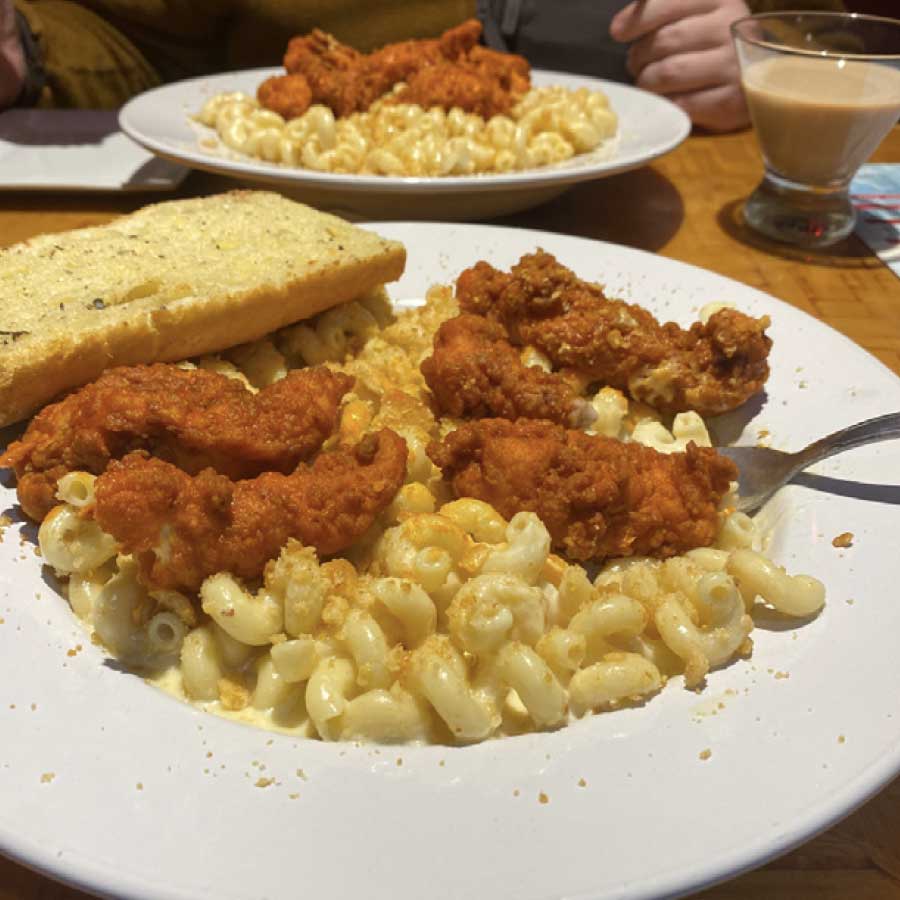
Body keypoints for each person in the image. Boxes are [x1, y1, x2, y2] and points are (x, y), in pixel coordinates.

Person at [2, 0, 845, 131]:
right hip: (317, 217)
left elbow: (841, 35)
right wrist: (26, 42)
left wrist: (770, 43)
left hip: (687, 204)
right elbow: (148, 38)